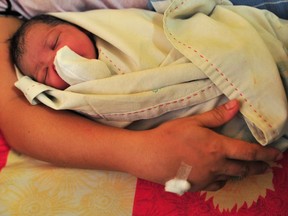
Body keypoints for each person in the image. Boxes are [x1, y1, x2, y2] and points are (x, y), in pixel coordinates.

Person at [0, 2, 284, 193]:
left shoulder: (106, 27)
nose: (58, 61)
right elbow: (15, 112)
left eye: (55, 43)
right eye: (44, 73)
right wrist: (145, 152)